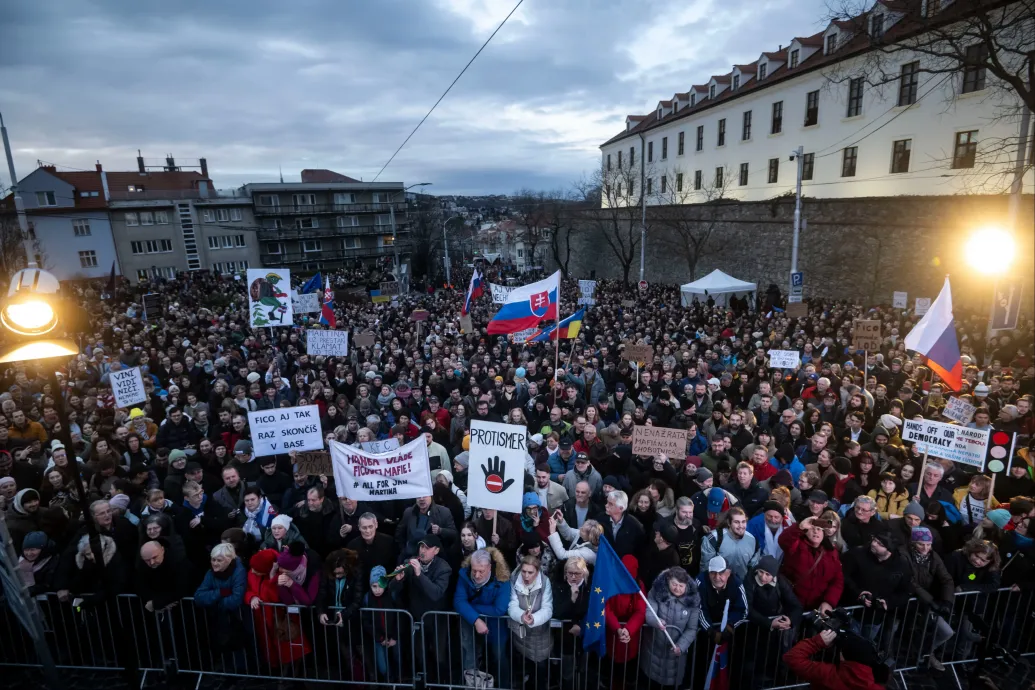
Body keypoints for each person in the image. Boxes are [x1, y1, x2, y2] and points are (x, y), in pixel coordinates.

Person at [245, 548, 312, 668]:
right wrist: (251, 597)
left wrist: (272, 579)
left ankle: (292, 672)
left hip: (280, 618)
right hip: (262, 618)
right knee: (269, 647)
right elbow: (247, 589)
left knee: (288, 648)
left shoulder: (280, 576)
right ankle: (275, 669)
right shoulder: (252, 573)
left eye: (257, 570)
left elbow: (277, 597)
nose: (253, 571)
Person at [454, 548, 511, 687]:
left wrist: (470, 608)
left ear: (489, 567)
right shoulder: (464, 575)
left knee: (498, 655)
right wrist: (476, 620)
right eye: (474, 570)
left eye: (481, 571)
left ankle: (504, 685)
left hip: (495, 623)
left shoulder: (502, 579)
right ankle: (471, 685)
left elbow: (500, 609)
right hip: (470, 621)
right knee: (469, 653)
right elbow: (459, 600)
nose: (477, 575)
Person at [743, 554, 802, 686]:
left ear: (774, 575)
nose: (763, 577)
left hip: (775, 636)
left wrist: (790, 621)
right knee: (751, 665)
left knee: (772, 664)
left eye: (767, 574)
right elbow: (747, 609)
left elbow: (796, 605)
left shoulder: (781, 582)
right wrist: (769, 623)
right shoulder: (750, 580)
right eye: (761, 572)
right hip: (752, 631)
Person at [903, 526, 955, 671]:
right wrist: (930, 601)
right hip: (906, 600)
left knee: (946, 632)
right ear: (913, 542)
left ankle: (925, 653)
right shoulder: (904, 554)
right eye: (921, 544)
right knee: (896, 630)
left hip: (925, 602)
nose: (925, 548)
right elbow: (910, 581)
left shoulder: (933, 556)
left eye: (928, 544)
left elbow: (946, 579)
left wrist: (947, 601)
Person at [640, 566, 701, 689]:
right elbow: (649, 612)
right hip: (653, 651)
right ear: (668, 581)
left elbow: (692, 629)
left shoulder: (693, 600)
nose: (677, 588)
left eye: (681, 586)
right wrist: (656, 621)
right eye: (674, 584)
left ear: (686, 585)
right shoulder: (657, 591)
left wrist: (681, 646)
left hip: (675, 657)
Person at [778, 516, 843, 615]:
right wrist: (799, 527)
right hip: (791, 607)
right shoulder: (795, 545)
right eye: (812, 528)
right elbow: (783, 540)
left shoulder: (831, 553)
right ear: (806, 531)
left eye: (819, 529)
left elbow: (837, 580)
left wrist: (829, 602)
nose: (816, 532)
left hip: (817, 610)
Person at [783, 629, 889, 690]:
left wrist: (816, 642)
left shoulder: (828, 675)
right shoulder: (877, 687)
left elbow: (792, 657)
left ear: (844, 657)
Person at [193, 542, 248, 658]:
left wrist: (214, 603)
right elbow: (198, 596)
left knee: (239, 652)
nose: (215, 563)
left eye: (219, 560)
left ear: (229, 560)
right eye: (213, 560)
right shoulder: (210, 573)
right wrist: (220, 592)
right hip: (218, 621)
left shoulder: (239, 572)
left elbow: (236, 599)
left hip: (238, 619)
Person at [508, 554, 554, 690]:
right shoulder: (514, 579)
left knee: (540, 670)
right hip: (520, 634)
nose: (526, 576)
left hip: (541, 635)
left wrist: (534, 619)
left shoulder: (545, 582)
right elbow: (512, 604)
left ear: (537, 572)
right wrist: (521, 616)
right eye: (524, 571)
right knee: (523, 667)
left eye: (530, 572)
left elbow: (548, 608)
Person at [701, 506, 759, 579]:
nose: (741, 526)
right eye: (736, 522)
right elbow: (705, 568)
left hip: (742, 583)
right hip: (718, 582)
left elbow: (753, 568)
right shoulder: (714, 539)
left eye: (743, 522)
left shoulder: (753, 541)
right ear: (728, 522)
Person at [136, 539, 194, 612]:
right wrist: (153, 601)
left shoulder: (178, 561)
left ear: (162, 550)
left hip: (185, 607)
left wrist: (156, 603)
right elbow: (139, 586)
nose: (152, 562)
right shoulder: (142, 565)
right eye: (147, 560)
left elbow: (181, 588)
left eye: (155, 557)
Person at [602, 490, 644, 559]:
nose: (606, 505)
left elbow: (640, 552)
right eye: (607, 502)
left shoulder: (635, 526)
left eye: (610, 504)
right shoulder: (600, 520)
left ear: (621, 508)